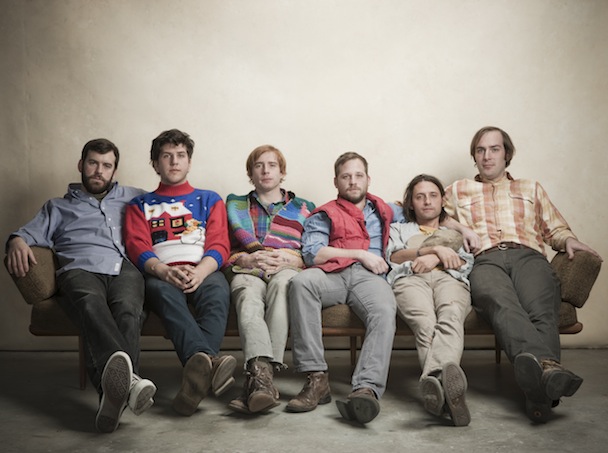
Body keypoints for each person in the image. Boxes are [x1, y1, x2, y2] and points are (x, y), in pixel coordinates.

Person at [444, 126, 603, 423]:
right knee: (502, 304)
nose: (487, 156)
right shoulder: (456, 190)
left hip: (528, 256)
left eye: (494, 149)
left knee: (541, 310)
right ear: (474, 156)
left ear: (507, 153)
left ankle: (539, 390)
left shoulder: (530, 188)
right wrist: (460, 227)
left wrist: (568, 240)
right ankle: (548, 375)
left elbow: (554, 228)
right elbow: (426, 215)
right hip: (485, 260)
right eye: (480, 150)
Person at [5, 138, 157, 433]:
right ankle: (131, 384)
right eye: (93, 163)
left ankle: (111, 397)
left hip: (124, 267)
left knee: (128, 310)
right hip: (79, 268)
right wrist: (16, 240)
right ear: (81, 165)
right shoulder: (57, 207)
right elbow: (26, 233)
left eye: (106, 165)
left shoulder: (135, 198)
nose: (99, 171)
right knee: (90, 304)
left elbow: (170, 212)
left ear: (114, 170)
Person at [124, 129, 236, 417]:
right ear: (155, 164)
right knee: (161, 292)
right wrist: (163, 271)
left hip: (204, 269)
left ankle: (195, 379)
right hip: (161, 274)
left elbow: (220, 243)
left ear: (189, 162)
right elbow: (137, 245)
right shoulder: (139, 205)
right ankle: (209, 363)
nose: (174, 161)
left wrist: (201, 271)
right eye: (167, 156)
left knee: (218, 290)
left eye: (181, 155)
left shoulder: (209, 199)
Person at [286, 152, 396, 424]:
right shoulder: (325, 213)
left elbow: (428, 210)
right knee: (301, 282)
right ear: (336, 181)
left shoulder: (384, 209)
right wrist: (360, 254)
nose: (353, 181)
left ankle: (366, 389)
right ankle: (316, 378)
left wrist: (460, 228)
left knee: (384, 309)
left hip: (369, 278)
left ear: (368, 179)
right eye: (346, 176)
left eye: (358, 175)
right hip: (332, 274)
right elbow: (313, 253)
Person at [224, 145, 315, 414]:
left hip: (285, 267)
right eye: (259, 165)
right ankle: (263, 380)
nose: (265, 170)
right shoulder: (235, 205)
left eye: (272, 165)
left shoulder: (305, 208)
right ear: (250, 173)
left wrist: (292, 260)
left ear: (282, 172)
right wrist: (244, 259)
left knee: (284, 286)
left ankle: (259, 380)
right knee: (247, 294)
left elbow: (312, 251)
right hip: (247, 268)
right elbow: (223, 248)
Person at [386, 174, 473, 426]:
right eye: (420, 197)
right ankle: (448, 391)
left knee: (451, 316)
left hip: (450, 279)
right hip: (410, 279)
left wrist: (437, 259)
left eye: (433, 195)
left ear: (442, 200)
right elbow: (394, 256)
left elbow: (467, 261)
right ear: (411, 203)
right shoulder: (399, 228)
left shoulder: (453, 232)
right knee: (425, 324)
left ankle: (436, 383)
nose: (427, 201)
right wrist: (433, 250)